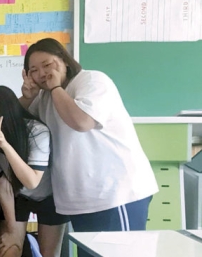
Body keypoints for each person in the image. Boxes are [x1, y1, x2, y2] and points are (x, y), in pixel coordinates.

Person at [20, 38, 157, 253]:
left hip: (114, 195)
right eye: (33, 70)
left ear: (64, 60)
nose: (42, 74)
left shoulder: (92, 81)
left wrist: (55, 87)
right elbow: (16, 124)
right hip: (80, 200)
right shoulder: (45, 97)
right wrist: (28, 98)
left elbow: (82, 122)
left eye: (47, 65)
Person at [0, 86, 67, 257]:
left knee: (48, 253)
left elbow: (32, 181)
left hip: (50, 196)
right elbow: (3, 184)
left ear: (7, 114)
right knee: (8, 248)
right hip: (17, 195)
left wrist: (5, 145)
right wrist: (11, 230)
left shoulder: (36, 131)